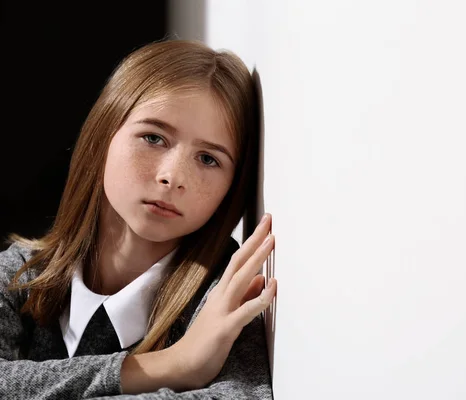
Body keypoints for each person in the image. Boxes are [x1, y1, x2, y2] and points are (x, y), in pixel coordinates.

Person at [0, 39, 277, 399]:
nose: (172, 177)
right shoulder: (20, 274)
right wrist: (174, 365)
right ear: (103, 135)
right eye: (153, 137)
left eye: (208, 159)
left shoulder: (224, 294)